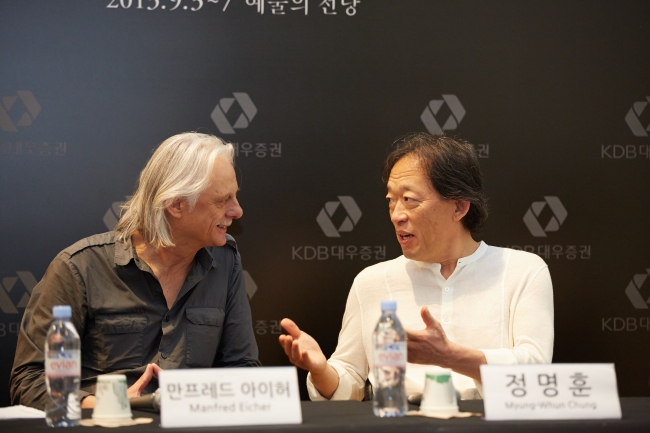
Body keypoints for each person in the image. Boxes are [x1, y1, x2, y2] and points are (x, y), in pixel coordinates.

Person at [279, 133, 553, 400]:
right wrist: (320, 370)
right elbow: (350, 378)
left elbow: (536, 370)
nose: (397, 215)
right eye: (391, 201)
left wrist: (451, 357)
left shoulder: (522, 271)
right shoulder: (372, 281)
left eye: (410, 200)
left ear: (458, 207)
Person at [10, 132, 260, 410]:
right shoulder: (78, 268)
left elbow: (241, 367)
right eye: (222, 200)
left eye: (235, 196)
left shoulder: (225, 260)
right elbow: (30, 381)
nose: (237, 211)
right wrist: (107, 403)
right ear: (176, 204)